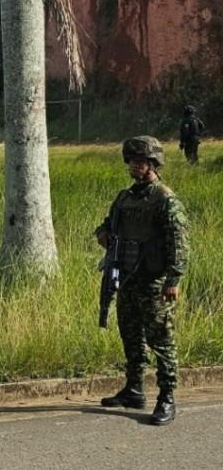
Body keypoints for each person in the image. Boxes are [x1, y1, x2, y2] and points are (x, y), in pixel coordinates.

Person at [95, 136, 188, 426]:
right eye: (131, 161)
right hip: (128, 278)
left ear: (153, 164)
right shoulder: (125, 198)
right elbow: (108, 225)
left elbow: (179, 243)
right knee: (131, 336)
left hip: (154, 282)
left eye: (140, 162)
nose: (134, 166)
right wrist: (103, 234)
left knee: (161, 341)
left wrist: (173, 280)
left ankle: (167, 397)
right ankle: (134, 389)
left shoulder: (165, 199)